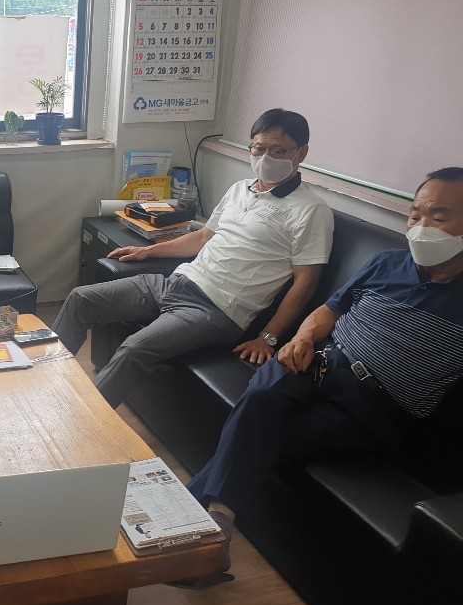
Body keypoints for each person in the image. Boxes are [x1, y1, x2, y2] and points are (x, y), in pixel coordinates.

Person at [186, 166, 463, 583]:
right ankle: (214, 528)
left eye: (438, 217)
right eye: (414, 215)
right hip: (321, 362)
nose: (421, 228)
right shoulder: (387, 262)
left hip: (375, 409)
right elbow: (329, 310)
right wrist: (301, 338)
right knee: (263, 394)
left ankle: (187, 526)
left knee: (268, 437)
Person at [54, 108, 334, 408]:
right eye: (258, 148)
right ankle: (43, 384)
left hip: (215, 311)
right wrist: (147, 251)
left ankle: (84, 426)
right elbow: (202, 238)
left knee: (134, 349)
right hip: (175, 283)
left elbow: (306, 282)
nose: (265, 157)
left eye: (277, 151)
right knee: (80, 299)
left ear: (301, 153)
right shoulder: (240, 188)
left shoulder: (311, 210)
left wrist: (268, 338)